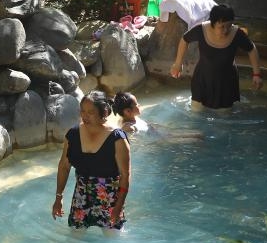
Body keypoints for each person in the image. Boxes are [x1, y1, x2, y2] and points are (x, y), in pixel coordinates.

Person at [52, 91, 131, 230]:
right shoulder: (73, 134)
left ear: (104, 112)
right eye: (82, 111)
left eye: (90, 112)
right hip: (81, 197)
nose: (85, 116)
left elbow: (125, 175)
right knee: (75, 237)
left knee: (112, 238)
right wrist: (59, 197)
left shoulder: (117, 138)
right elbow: (64, 166)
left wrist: (118, 207)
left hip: (110, 200)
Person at [170, 4, 262, 110]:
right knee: (196, 110)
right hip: (203, 78)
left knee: (224, 114)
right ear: (213, 23)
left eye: (229, 26)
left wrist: (256, 74)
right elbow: (184, 40)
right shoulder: (201, 29)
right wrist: (178, 63)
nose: (226, 30)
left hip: (226, 80)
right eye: (221, 27)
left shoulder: (236, 34)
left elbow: (251, 49)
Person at [113, 92, 204, 141]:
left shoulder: (130, 117)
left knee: (198, 135)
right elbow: (136, 142)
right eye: (136, 104)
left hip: (161, 134)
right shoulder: (128, 127)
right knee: (196, 139)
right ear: (128, 111)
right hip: (162, 140)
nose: (139, 105)